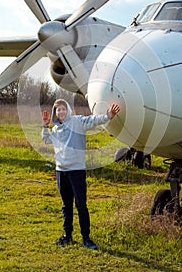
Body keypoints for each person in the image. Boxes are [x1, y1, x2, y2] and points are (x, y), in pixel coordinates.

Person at [42, 98, 120, 250]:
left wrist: (107, 116)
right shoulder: (56, 129)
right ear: (55, 114)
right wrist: (45, 126)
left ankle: (86, 238)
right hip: (61, 171)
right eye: (58, 110)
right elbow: (46, 140)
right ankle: (67, 235)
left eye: (64, 109)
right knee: (66, 205)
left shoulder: (77, 122)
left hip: (76, 171)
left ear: (68, 110)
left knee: (81, 205)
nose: (61, 112)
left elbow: (93, 120)